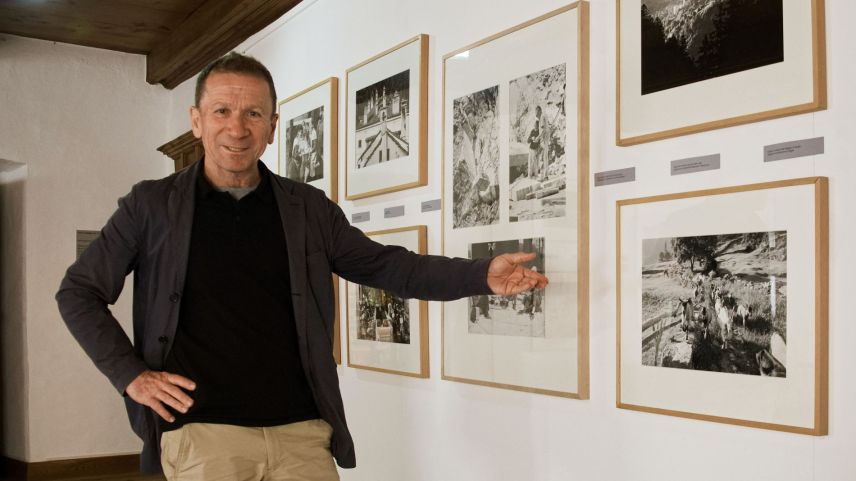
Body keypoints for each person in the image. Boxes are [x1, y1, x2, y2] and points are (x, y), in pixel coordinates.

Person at [55, 52, 548, 481]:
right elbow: (78, 292)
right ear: (197, 121)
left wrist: (479, 275)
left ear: (273, 126)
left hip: (301, 432)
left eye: (253, 113)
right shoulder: (151, 206)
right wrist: (131, 375)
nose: (237, 127)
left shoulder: (307, 209)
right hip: (203, 433)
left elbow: (388, 267)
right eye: (222, 111)